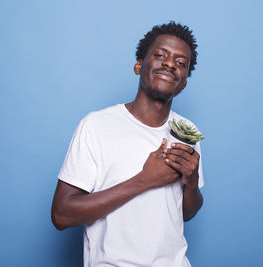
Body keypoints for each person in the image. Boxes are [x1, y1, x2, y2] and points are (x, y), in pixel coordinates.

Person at [51, 22, 204, 267]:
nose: (169, 64)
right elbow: (61, 215)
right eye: (160, 55)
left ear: (184, 82)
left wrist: (192, 182)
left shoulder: (188, 133)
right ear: (138, 65)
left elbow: (185, 213)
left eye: (181, 63)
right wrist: (145, 180)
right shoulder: (96, 125)